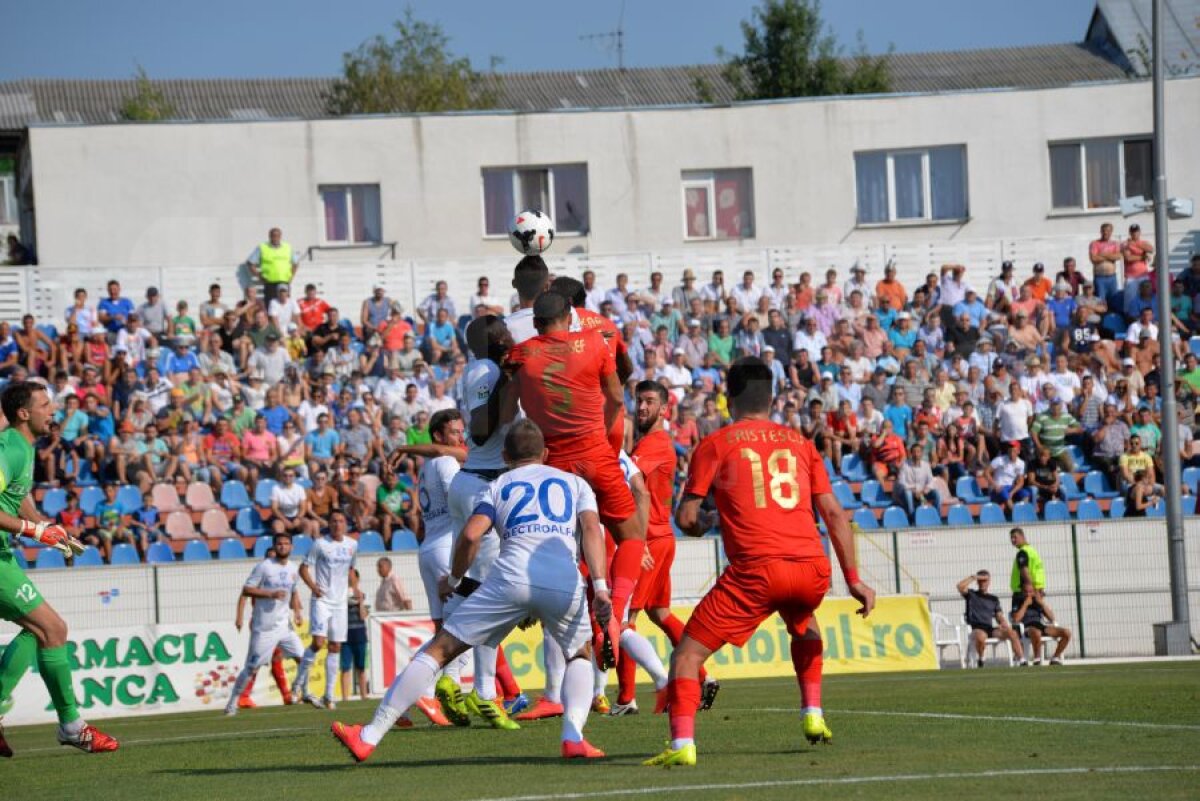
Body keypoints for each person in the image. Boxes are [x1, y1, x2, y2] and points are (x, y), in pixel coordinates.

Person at [331, 419, 614, 762]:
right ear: (546, 453)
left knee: (439, 650)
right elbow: (591, 530)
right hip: (564, 581)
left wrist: (453, 580)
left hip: (510, 578)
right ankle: (573, 737)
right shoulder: (575, 483)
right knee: (579, 654)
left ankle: (369, 735)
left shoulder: (497, 485)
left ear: (505, 456)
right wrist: (600, 586)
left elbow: (470, 534)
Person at [645, 358, 875, 767]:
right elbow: (835, 515)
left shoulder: (716, 443)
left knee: (686, 657)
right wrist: (854, 579)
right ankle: (813, 713)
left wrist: (706, 523)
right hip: (810, 568)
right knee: (804, 623)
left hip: (757, 570)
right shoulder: (801, 443)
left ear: (729, 397)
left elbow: (687, 517)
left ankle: (681, 744)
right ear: (771, 398)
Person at [506, 290, 643, 665]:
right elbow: (617, 398)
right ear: (570, 317)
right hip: (596, 453)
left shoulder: (520, 355)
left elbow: (507, 409)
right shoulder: (594, 343)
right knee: (632, 537)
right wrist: (604, 434)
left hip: (554, 465)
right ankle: (614, 614)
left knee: (567, 549)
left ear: (536, 323)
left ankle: (585, 634)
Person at [0, 381, 119, 755]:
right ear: (24, 413)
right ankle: (72, 727)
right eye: (45, 405)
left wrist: (48, 528)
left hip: (3, 555)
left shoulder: (23, 447)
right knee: (53, 629)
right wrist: (35, 531)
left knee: (38, 631)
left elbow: (16, 497)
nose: (52, 411)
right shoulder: (9, 448)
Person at [445, 315, 532, 723]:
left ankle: (450, 677)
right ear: (495, 338)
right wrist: (508, 382)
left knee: (472, 591)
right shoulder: (486, 370)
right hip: (482, 483)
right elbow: (480, 431)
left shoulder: (487, 369)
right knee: (487, 594)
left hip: (476, 481)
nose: (511, 336)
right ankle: (481, 690)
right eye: (505, 332)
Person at [614, 381, 716, 716]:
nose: (642, 407)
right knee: (660, 614)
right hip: (660, 537)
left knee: (624, 620)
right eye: (638, 401)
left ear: (664, 409)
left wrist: (636, 540)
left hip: (650, 539)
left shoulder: (654, 445)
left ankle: (627, 698)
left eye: (649, 401)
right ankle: (703, 676)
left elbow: (628, 485)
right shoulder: (651, 443)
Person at [224, 534, 304, 716]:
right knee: (252, 667)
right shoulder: (264, 567)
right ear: (274, 546)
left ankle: (297, 692)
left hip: (284, 627)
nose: (283, 546)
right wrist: (270, 594)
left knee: (304, 658)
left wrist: (297, 612)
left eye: (286, 543)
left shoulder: (294, 569)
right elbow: (246, 590)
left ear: (292, 547)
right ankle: (233, 701)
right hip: (264, 628)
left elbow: (293, 592)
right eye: (279, 544)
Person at [293, 509, 360, 709]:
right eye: (334, 521)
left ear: (346, 524)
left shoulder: (352, 545)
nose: (337, 524)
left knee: (335, 646)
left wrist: (355, 589)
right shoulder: (320, 544)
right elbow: (303, 568)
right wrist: (313, 587)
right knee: (318, 642)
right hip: (321, 600)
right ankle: (298, 684)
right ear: (329, 524)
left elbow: (351, 570)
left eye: (341, 521)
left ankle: (329, 696)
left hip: (340, 602)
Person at [1009, 528, 1071, 665]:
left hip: (1040, 623)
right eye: (1011, 538)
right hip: (1028, 627)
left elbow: (1025, 570)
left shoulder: (1023, 552)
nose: (1013, 541)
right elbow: (1015, 619)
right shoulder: (1032, 552)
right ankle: (1037, 660)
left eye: (1015, 537)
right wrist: (1028, 599)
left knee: (1067, 632)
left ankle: (1055, 658)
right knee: (1035, 631)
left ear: (1022, 536)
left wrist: (1038, 598)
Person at [956, 571, 1025, 668]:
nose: (983, 583)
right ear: (977, 582)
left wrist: (1003, 623)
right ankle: (981, 659)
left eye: (985, 581)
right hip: (976, 628)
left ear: (989, 582)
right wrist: (974, 577)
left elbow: (999, 615)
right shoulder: (971, 594)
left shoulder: (993, 599)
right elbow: (960, 586)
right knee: (981, 636)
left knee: (1012, 633)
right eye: (981, 581)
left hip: (989, 628)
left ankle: (1022, 660)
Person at [247, 227, 300, 304]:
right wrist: (259, 277)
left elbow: (296, 263)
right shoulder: (262, 247)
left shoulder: (287, 247)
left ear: (280, 236)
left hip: (284, 281)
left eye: (277, 236)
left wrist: (291, 276)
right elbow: (250, 263)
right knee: (270, 305)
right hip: (269, 282)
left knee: (285, 304)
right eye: (273, 236)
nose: (275, 238)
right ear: (269, 236)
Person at [340, 573, 370, 702]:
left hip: (359, 634)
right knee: (345, 667)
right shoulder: (341, 594)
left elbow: (363, 616)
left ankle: (364, 695)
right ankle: (345, 698)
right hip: (345, 636)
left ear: (357, 578)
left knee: (361, 667)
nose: (349, 578)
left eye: (352, 576)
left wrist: (360, 601)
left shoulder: (364, 595)